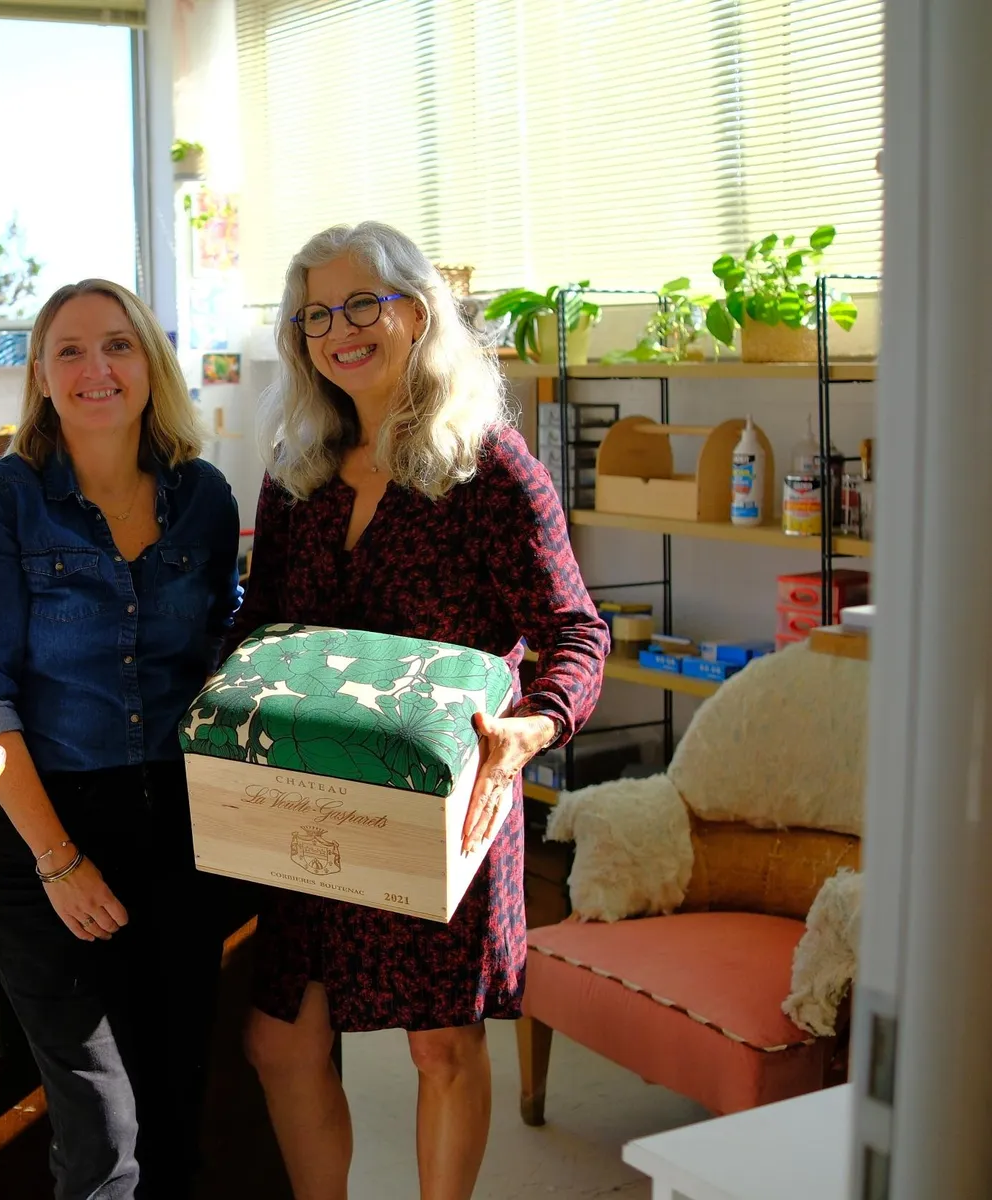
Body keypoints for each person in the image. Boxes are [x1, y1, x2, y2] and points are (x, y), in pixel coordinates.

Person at [233, 223, 609, 1200]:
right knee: (282, 1040)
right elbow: (259, 622)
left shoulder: (490, 466)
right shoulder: (297, 468)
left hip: (450, 800)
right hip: (316, 801)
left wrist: (534, 728)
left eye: (362, 303)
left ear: (417, 311)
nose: (339, 330)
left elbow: (576, 632)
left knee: (441, 1046)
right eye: (315, 314)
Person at [0, 279, 242, 1199]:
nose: (95, 368)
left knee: (177, 1110)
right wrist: (58, 859)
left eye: (117, 344)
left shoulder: (204, 497)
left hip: (180, 833)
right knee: (102, 1132)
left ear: (150, 362)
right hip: (46, 830)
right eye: (68, 350)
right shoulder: (4, 500)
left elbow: (225, 658)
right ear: (41, 374)